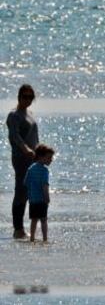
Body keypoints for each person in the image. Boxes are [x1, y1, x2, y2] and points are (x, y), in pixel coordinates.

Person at [8, 84, 39, 239]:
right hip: (21, 158)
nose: (28, 100)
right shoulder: (14, 115)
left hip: (33, 158)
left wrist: (40, 152)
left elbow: (35, 137)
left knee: (28, 191)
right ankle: (17, 228)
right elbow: (14, 136)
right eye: (25, 97)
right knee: (20, 189)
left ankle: (21, 227)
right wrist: (25, 149)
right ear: (19, 97)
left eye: (30, 97)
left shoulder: (30, 114)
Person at [24, 144, 54, 243]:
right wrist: (47, 198)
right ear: (41, 157)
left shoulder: (31, 168)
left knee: (34, 220)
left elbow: (26, 183)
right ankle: (45, 238)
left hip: (32, 200)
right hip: (41, 200)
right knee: (44, 220)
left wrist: (30, 194)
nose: (51, 160)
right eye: (49, 157)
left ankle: (32, 238)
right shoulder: (44, 170)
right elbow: (45, 185)